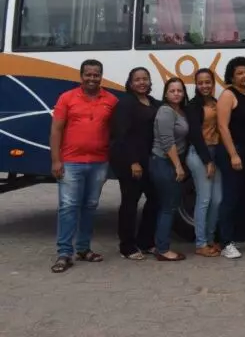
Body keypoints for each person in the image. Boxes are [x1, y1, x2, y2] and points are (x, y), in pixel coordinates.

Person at [50, 59, 118, 274]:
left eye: (96, 75)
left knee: (90, 206)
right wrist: (55, 160)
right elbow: (56, 130)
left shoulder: (111, 100)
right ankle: (64, 253)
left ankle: (83, 249)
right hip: (71, 162)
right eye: (88, 74)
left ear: (101, 77)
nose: (92, 78)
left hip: (98, 163)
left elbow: (116, 132)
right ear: (81, 76)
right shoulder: (67, 98)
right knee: (68, 207)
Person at [110, 67, 160, 260]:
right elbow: (122, 136)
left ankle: (146, 242)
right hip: (130, 161)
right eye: (137, 80)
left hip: (148, 160)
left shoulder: (153, 102)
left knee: (155, 199)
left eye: (145, 79)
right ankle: (127, 246)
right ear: (130, 83)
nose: (142, 82)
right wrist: (133, 162)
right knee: (130, 202)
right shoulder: (125, 104)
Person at [216, 56, 245, 260]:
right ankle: (225, 242)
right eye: (239, 73)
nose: (244, 75)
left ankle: (241, 236)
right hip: (234, 151)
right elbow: (223, 127)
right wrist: (233, 154)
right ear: (232, 76)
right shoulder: (228, 94)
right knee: (231, 198)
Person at [149, 77, 190, 262]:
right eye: (172, 90)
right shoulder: (165, 111)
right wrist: (178, 167)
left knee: (167, 206)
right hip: (164, 163)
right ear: (166, 93)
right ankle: (163, 249)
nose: (176, 93)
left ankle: (159, 244)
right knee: (169, 207)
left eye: (180, 90)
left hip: (170, 162)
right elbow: (167, 142)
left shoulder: (179, 111)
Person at [185, 68, 222, 258]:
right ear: (196, 85)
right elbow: (195, 135)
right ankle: (200, 243)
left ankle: (209, 238)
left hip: (215, 152)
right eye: (201, 83)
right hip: (199, 154)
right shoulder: (192, 106)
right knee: (204, 199)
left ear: (213, 83)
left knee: (217, 200)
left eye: (208, 82)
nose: (205, 86)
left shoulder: (216, 103)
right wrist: (207, 161)